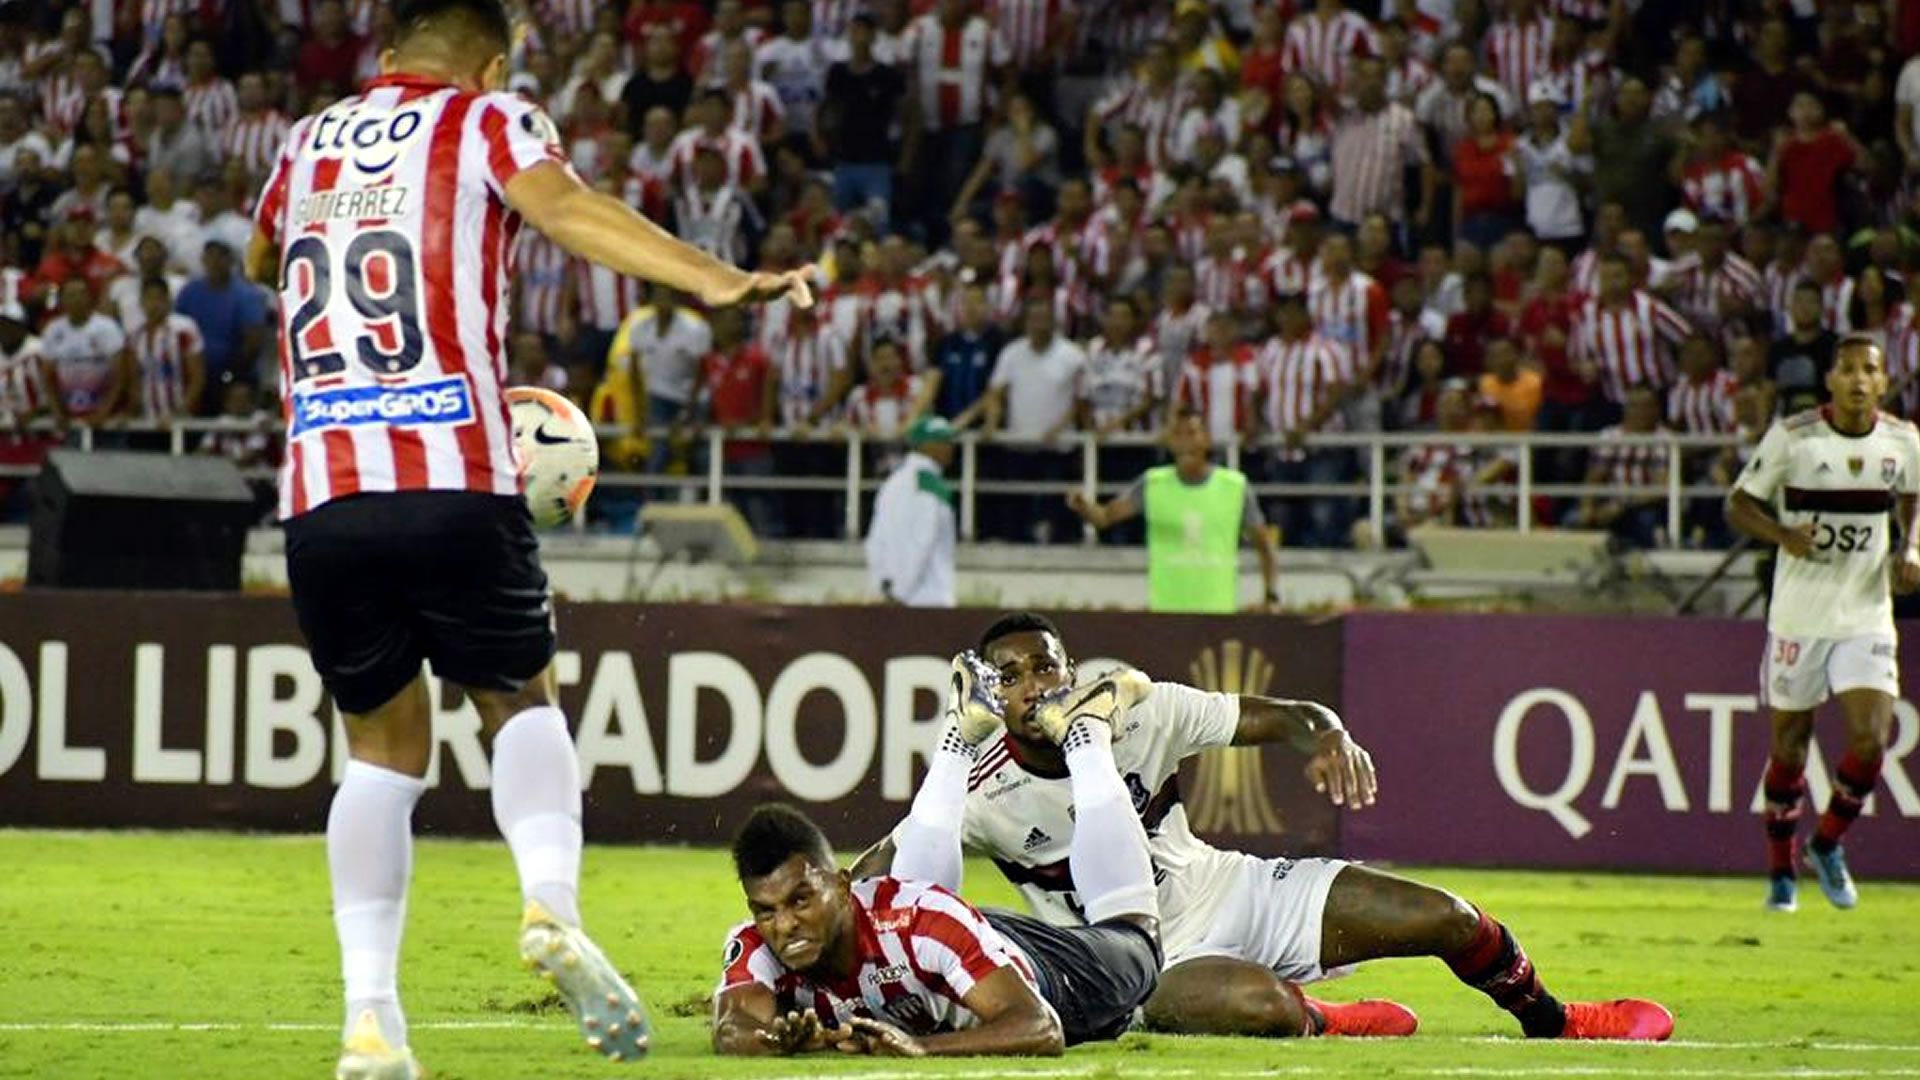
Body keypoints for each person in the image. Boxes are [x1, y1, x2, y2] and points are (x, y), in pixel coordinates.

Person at [243, 3, 813, 1078]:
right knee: (521, 703)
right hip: (452, 471)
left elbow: (263, 251)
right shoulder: (487, 120)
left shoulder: (307, 139)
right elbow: (568, 209)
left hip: (324, 489)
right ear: (492, 63)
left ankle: (372, 1021)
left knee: (380, 755)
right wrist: (714, 279)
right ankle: (550, 905)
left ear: (386, 57)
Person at [854, 613, 1676, 1042]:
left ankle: (1555, 1020)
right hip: (1140, 962)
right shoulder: (981, 785)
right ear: (989, 696)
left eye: (1046, 664)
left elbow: (1287, 715)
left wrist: (1330, 737)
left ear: (1071, 669)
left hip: (1235, 889)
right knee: (1258, 1007)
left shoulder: (1143, 710)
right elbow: (884, 873)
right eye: (1010, 675)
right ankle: (1329, 1019)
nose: (1034, 683)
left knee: (1447, 917)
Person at [714, 653, 1164, 1056]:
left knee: (1136, 933)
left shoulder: (919, 922)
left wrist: (921, 1047)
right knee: (920, 915)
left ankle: (1086, 732)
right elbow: (732, 1028)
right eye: (766, 911)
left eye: (800, 901)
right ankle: (958, 739)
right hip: (964, 935)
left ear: (843, 887)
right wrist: (776, 1040)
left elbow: (1041, 1028)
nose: (785, 926)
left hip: (1065, 969)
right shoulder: (759, 945)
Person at [1725, 335, 1920, 914]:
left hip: (1865, 612)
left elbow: (1913, 498)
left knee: (1872, 738)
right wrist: (1782, 535)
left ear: (1883, 382)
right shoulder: (1795, 437)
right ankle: (1781, 872)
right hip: (1799, 614)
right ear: (1830, 379)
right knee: (1789, 746)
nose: (1858, 379)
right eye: (1847, 369)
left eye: (1869, 370)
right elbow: (1739, 503)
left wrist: (1911, 547)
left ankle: (1827, 843)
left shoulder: (1903, 441)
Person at [1067, 405, 1280, 613]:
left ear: (1207, 439)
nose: (1184, 441)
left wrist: (1270, 595)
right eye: (1177, 434)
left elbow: (1264, 546)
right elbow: (1104, 518)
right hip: (1166, 615)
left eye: (1192, 433)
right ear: (1169, 441)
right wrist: (1083, 505)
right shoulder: (1153, 484)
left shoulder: (1234, 486)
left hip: (1219, 614)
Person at [864, 414, 958, 607]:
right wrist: (898, 593)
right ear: (924, 445)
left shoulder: (894, 481)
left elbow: (875, 541)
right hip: (925, 599)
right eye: (943, 440)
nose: (950, 447)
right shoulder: (926, 484)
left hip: (900, 594)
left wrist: (882, 585)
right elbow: (920, 541)